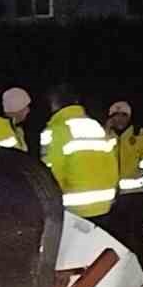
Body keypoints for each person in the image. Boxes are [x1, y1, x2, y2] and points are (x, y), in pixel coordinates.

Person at [40, 84, 118, 221]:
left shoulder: (56, 130)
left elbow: (51, 173)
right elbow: (112, 163)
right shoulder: (95, 126)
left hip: (74, 210)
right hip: (105, 205)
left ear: (53, 103)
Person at [104, 101, 143, 271]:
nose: (120, 120)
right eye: (116, 116)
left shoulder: (140, 135)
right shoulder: (104, 135)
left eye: (124, 116)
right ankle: (121, 271)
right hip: (111, 196)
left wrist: (142, 162)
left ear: (129, 118)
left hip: (135, 194)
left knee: (141, 234)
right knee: (118, 236)